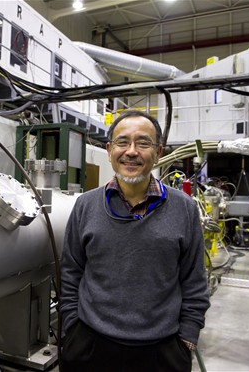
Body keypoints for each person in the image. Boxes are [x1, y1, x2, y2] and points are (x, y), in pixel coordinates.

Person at [59, 110, 210, 372]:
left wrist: (187, 339)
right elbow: (71, 272)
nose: (131, 151)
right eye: (122, 142)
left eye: (143, 143)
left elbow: (194, 281)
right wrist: (71, 328)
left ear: (159, 152)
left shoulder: (184, 208)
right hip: (90, 346)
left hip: (162, 352)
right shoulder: (85, 205)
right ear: (109, 150)